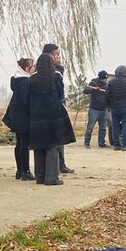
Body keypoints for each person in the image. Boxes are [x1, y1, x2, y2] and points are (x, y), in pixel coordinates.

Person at [27, 52, 76, 185]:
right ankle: (52, 178)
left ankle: (40, 177)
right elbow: (60, 95)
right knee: (52, 147)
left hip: (36, 117)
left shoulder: (32, 79)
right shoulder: (56, 76)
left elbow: (28, 98)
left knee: (39, 147)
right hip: (53, 115)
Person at [2, 58, 36, 180]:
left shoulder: (18, 80)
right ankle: (25, 170)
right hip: (22, 116)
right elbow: (26, 100)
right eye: (33, 67)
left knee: (20, 143)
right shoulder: (25, 81)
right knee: (24, 144)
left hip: (16, 116)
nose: (35, 69)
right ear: (27, 69)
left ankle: (20, 170)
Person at [43, 43, 74, 174]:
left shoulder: (50, 69)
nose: (58, 57)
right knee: (56, 138)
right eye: (56, 54)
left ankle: (59, 164)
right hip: (54, 108)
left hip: (49, 108)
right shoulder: (52, 71)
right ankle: (58, 165)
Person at [106, 64, 126, 150]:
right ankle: (125, 145)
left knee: (115, 126)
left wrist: (109, 105)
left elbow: (107, 95)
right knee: (125, 126)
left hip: (114, 107)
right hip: (125, 107)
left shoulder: (111, 82)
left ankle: (116, 145)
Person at [82, 70, 109, 148]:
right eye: (104, 79)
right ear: (100, 78)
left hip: (103, 109)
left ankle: (101, 143)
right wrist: (93, 89)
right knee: (90, 127)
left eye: (106, 79)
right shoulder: (94, 83)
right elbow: (85, 90)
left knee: (103, 128)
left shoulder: (107, 85)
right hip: (94, 109)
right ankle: (87, 143)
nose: (105, 80)